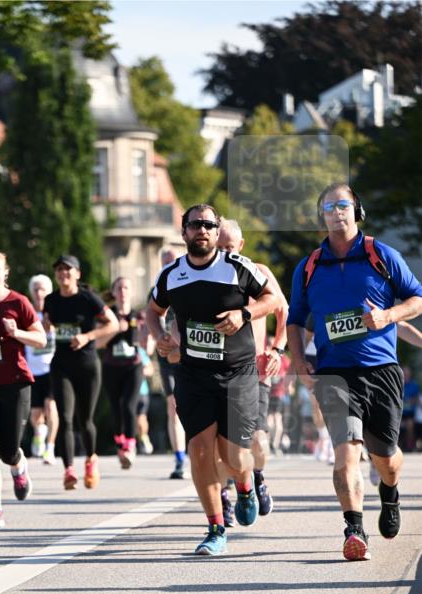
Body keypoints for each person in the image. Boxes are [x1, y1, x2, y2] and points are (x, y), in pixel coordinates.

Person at [287, 182, 422, 560]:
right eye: (328, 208)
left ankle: (390, 493)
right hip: (333, 373)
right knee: (346, 453)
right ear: (322, 217)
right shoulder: (310, 266)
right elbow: (294, 320)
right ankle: (354, 528)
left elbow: (417, 298)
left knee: (387, 458)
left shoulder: (382, 255)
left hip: (381, 370)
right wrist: (300, 363)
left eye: (343, 205)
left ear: (356, 211)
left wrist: (388, 315)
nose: (336, 213)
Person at [146, 203, 278, 556]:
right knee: (200, 451)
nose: (202, 230)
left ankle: (245, 485)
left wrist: (244, 313)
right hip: (192, 373)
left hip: (238, 374)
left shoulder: (237, 268)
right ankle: (216, 527)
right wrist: (159, 334)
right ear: (184, 231)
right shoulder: (171, 274)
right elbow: (152, 309)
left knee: (234, 456)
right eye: (195, 225)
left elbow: (273, 298)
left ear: (217, 230)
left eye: (208, 224)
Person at [217, 220, 288, 518]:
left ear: (241, 246)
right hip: (215, 371)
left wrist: (277, 348)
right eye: (219, 248)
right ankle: (223, 497)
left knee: (258, 441)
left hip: (255, 369)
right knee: (219, 443)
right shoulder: (200, 276)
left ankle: (257, 477)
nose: (223, 255)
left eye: (229, 248)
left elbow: (283, 311)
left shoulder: (258, 272)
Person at [0, 249, 45, 527]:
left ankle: (18, 465)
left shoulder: (19, 302)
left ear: (5, 273)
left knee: (8, 449)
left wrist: (16, 333)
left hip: (15, 384)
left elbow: (39, 339)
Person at [44, 254, 118, 490]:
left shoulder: (89, 298)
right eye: (59, 270)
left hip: (87, 365)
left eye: (68, 270)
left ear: (77, 274)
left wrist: (87, 336)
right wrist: (44, 327)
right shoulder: (51, 300)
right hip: (61, 365)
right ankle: (68, 470)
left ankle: (90, 460)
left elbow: (113, 323)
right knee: (65, 418)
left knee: (84, 420)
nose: (63, 274)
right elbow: (48, 323)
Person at [102, 276, 143, 469]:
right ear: (114, 292)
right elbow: (98, 343)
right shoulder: (106, 315)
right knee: (116, 409)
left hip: (133, 367)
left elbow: (146, 341)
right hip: (111, 367)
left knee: (128, 405)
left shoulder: (138, 315)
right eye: (119, 288)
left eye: (126, 288)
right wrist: (115, 329)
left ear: (131, 292)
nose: (123, 292)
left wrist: (149, 346)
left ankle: (130, 445)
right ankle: (121, 445)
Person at [154, 247, 188, 479]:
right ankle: (179, 459)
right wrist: (154, 340)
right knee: (173, 406)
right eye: (164, 262)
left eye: (172, 262)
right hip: (167, 354)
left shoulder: (192, 284)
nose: (168, 266)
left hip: (191, 352)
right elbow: (151, 317)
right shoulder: (157, 288)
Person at [26, 273, 58, 465]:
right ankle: (39, 432)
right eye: (36, 289)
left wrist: (53, 328)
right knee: (35, 414)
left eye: (42, 289)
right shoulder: (27, 313)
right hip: (32, 371)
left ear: (49, 292)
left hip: (53, 369)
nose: (39, 293)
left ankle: (50, 448)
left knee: (51, 406)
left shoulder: (55, 312)